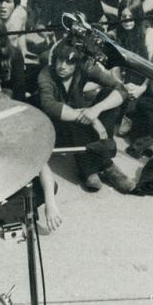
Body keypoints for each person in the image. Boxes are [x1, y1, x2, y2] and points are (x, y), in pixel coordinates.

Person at [37, 37, 135, 194]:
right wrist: (92, 119)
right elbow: (49, 106)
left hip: (81, 121)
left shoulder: (86, 68)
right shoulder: (46, 73)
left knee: (108, 94)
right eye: (60, 60)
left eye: (70, 62)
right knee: (73, 114)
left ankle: (97, 163)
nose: (62, 66)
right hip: (58, 128)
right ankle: (100, 166)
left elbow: (120, 88)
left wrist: (96, 110)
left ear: (78, 63)